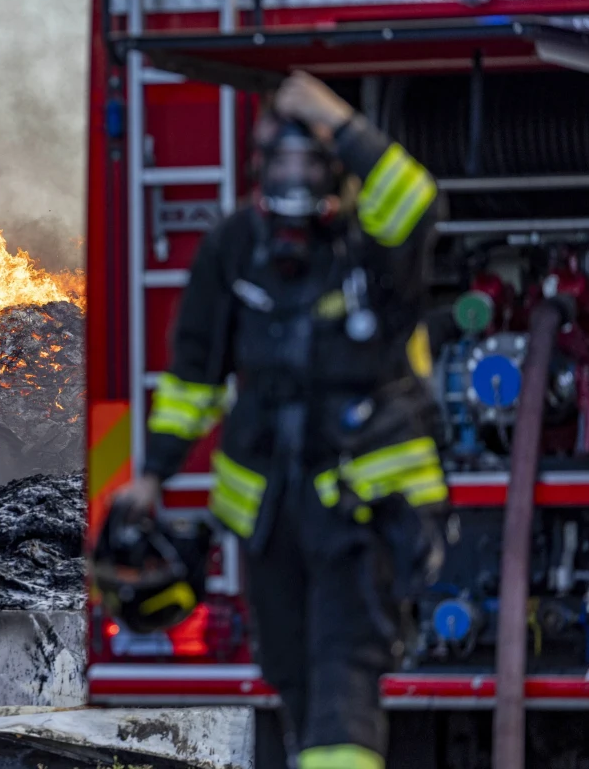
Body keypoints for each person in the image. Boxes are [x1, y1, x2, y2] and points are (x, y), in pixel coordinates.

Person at [112, 71, 449, 769]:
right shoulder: (235, 245)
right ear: (260, 165)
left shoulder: (369, 244)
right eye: (281, 159)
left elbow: (415, 199)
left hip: (361, 501)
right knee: (291, 669)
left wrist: (338, 119)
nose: (295, 174)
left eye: (311, 158)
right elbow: (193, 374)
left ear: (335, 169)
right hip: (269, 505)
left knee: (343, 666)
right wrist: (153, 475)